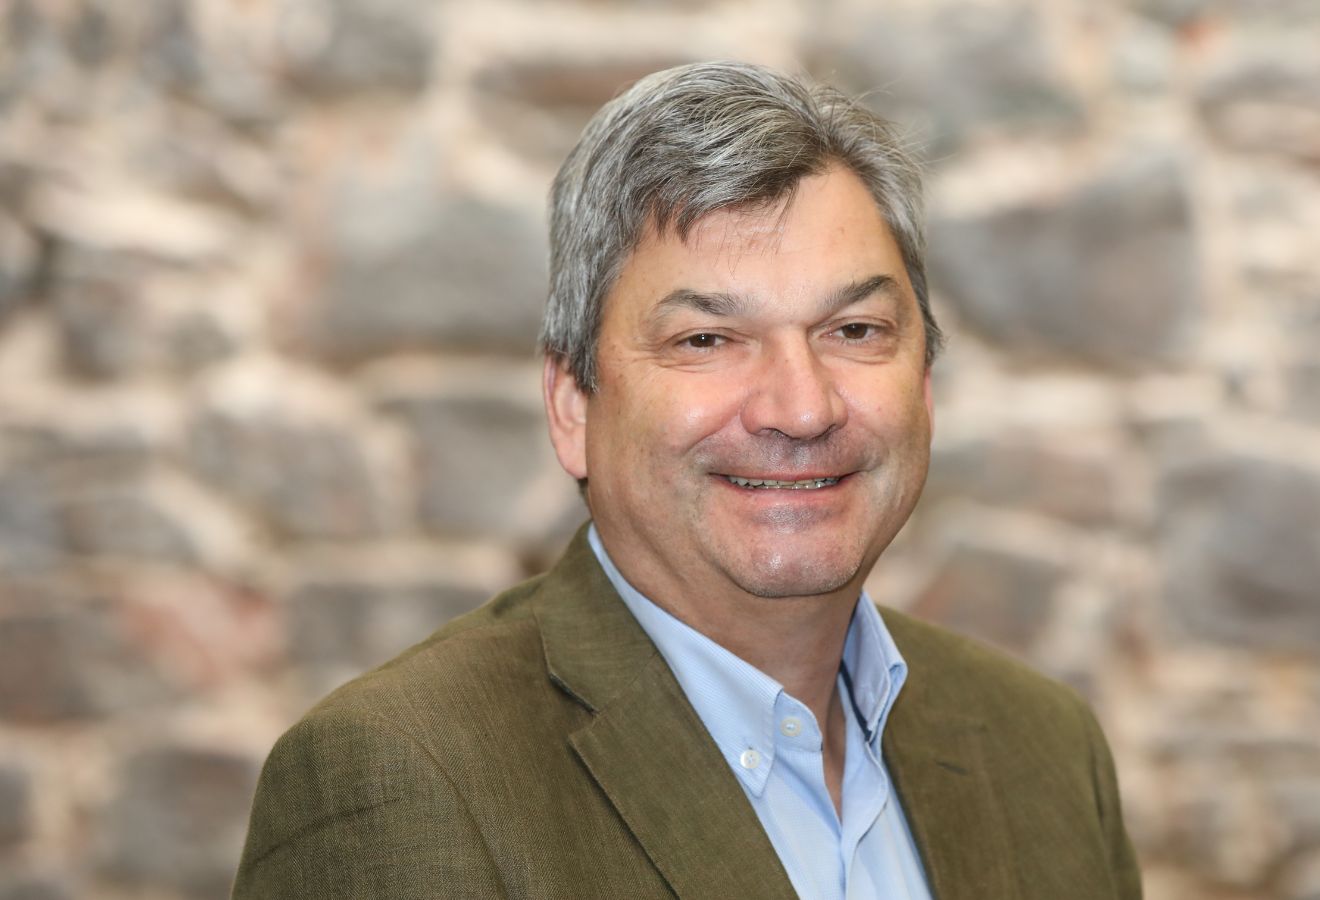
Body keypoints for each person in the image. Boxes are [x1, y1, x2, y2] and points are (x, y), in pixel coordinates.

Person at [233, 61, 1142, 900]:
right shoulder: (396, 781)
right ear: (573, 406)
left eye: (855, 331)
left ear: (926, 385)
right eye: (706, 339)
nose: (802, 407)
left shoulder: (1046, 750)